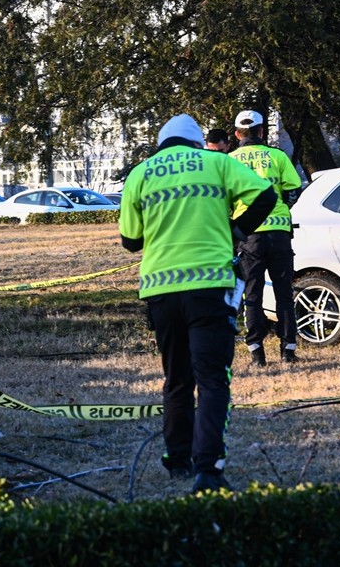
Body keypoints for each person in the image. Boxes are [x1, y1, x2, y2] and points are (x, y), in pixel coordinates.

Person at [119, 113, 276, 493]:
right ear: (195, 143)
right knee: (212, 380)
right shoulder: (216, 162)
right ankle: (209, 468)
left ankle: (177, 460)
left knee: (176, 378)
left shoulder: (140, 173)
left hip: (160, 292)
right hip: (210, 287)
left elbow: (131, 241)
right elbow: (267, 195)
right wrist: (236, 230)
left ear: (161, 144)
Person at [230, 109, 303, 366]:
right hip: (279, 233)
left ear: (237, 134)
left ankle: (257, 353)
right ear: (261, 131)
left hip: (248, 237)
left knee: (252, 296)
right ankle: (288, 351)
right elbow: (293, 191)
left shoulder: (228, 161)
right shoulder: (277, 156)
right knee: (284, 293)